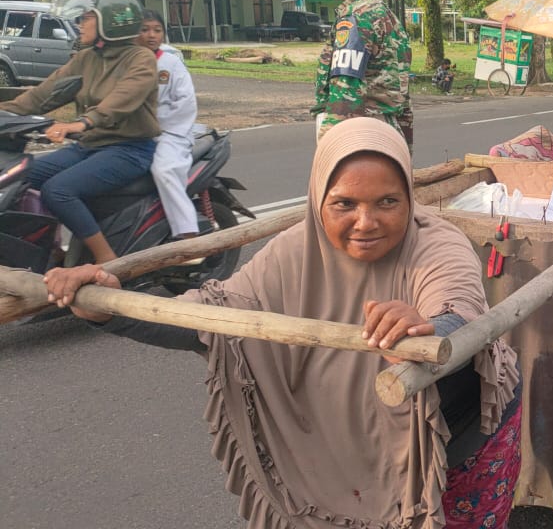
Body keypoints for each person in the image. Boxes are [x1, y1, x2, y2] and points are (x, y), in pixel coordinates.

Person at [44, 118, 523, 529]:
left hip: (456, 439)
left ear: (409, 200)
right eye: (344, 204)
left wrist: (426, 329)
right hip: (343, 447)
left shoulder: (438, 245)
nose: (366, 222)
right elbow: (211, 319)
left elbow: (457, 310)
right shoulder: (292, 252)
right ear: (318, 198)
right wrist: (109, 305)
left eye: (387, 202)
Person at [0, 0, 158, 264]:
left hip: (129, 149)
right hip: (89, 147)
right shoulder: (86, 58)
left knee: (58, 190)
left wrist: (82, 123)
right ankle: (51, 251)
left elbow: (122, 99)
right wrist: (6, 114)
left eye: (86, 18)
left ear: (109, 21)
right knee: (21, 177)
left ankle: (107, 261)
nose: (79, 24)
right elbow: (42, 95)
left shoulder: (140, 59)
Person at [311, 0, 414, 147]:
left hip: (359, 137)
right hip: (386, 135)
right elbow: (402, 97)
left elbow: (344, 95)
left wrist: (327, 148)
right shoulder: (383, 14)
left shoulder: (356, 19)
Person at [137, 10, 199, 239]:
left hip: (169, 133)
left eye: (157, 30)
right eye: (144, 30)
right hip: (133, 133)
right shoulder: (126, 62)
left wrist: (153, 123)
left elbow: (185, 103)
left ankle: (188, 236)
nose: (151, 35)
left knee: (163, 170)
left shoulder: (171, 62)